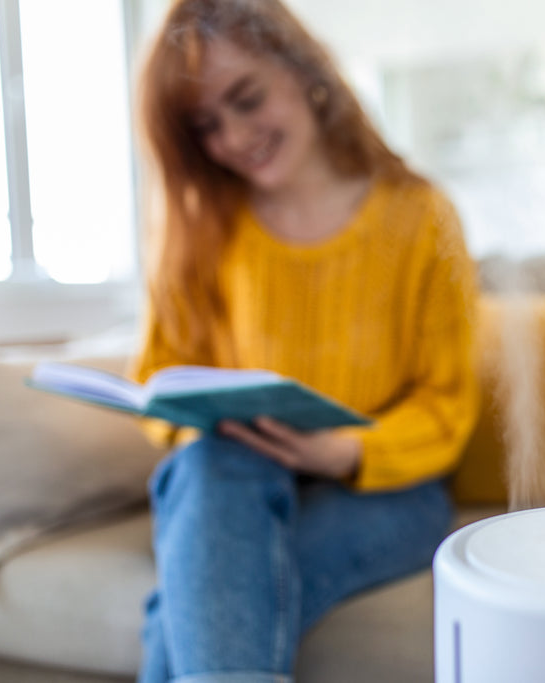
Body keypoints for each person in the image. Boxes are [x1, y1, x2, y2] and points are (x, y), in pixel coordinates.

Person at [130, 1, 480, 681]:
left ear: (301, 67)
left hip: (385, 487)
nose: (233, 136)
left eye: (246, 98)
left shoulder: (421, 217)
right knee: (209, 468)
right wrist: (212, 421)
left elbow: (448, 403)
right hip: (236, 475)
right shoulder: (202, 227)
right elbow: (162, 374)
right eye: (206, 125)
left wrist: (342, 449)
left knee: (200, 601)